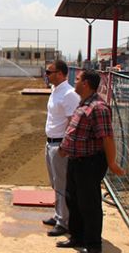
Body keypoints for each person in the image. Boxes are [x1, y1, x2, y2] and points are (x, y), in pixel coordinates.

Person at [56, 70, 125, 253]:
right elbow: (76, 132)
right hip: (76, 161)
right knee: (74, 200)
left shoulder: (98, 108)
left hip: (89, 164)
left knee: (89, 205)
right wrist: (65, 149)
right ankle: (77, 237)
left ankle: (93, 245)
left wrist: (112, 163)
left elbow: (107, 138)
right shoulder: (83, 104)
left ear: (85, 83)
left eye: (78, 79)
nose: (75, 82)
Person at [42, 60, 80, 237]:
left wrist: (65, 145)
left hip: (60, 145)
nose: (47, 75)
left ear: (60, 73)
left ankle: (63, 222)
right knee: (55, 183)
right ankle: (59, 215)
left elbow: (73, 122)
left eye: (49, 72)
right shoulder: (56, 90)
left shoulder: (69, 94)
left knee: (62, 184)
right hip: (51, 143)